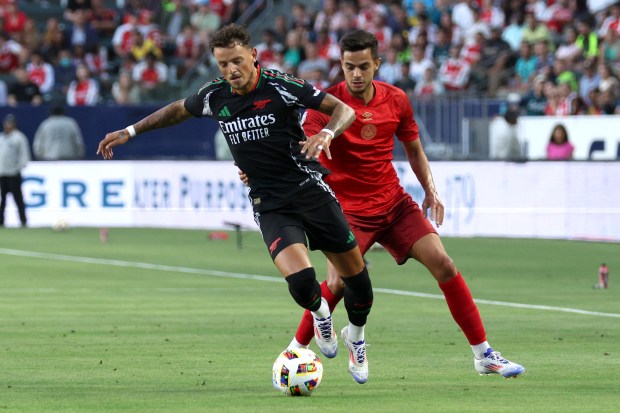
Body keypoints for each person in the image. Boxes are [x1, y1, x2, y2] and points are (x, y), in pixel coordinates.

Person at [97, 24, 373, 384]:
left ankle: (356, 335)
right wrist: (130, 132)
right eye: (223, 64)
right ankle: (321, 313)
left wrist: (326, 132)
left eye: (237, 61)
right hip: (270, 202)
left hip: (309, 190)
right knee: (303, 284)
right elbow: (177, 110)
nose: (231, 71)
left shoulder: (280, 85)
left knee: (361, 287)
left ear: (254, 55)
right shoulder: (215, 96)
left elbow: (342, 110)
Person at [283, 29, 524, 379]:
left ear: (377, 64)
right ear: (341, 65)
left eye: (364, 66)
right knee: (336, 284)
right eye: (349, 66)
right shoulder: (326, 104)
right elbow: (305, 144)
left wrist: (431, 190)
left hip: (394, 204)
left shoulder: (396, 100)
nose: (356, 74)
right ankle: (296, 350)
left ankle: (483, 354)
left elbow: (414, 150)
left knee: (443, 263)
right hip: (348, 211)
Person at [0, 114, 30, 227]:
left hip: (13, 174)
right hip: (2, 173)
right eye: (6, 123)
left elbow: (24, 156)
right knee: (2, 200)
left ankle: (23, 221)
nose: (8, 125)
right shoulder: (1, 138)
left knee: (18, 199)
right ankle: (1, 221)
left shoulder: (19, 138)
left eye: (10, 123)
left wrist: (17, 169)